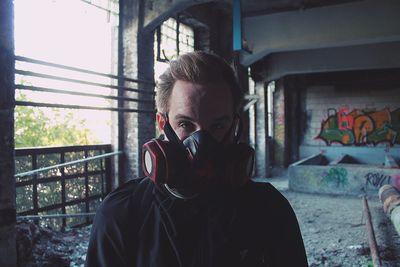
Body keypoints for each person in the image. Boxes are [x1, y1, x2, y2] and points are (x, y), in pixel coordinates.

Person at [85, 51, 308, 267]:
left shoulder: (269, 211)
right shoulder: (122, 213)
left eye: (218, 126)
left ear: (234, 126)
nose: (202, 143)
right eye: (185, 124)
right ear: (162, 124)